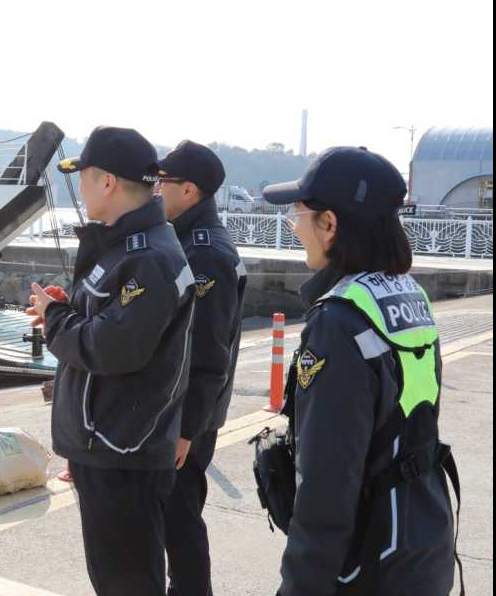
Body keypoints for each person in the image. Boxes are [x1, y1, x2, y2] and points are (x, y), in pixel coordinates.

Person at [261, 146, 458, 596]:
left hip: (369, 565)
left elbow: (327, 486)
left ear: (329, 224)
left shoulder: (339, 321)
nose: (293, 227)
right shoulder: (409, 294)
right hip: (423, 541)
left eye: (298, 214)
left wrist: (301, 586)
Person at [28, 126, 196, 596]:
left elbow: (114, 346)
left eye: (83, 176)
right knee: (116, 577)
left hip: (122, 450)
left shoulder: (150, 257)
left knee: (127, 582)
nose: (79, 188)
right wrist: (69, 308)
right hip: (110, 444)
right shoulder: (128, 245)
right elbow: (115, 322)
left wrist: (56, 318)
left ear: (107, 182)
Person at [154, 140, 247, 596]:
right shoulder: (190, 238)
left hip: (189, 415)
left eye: (163, 182)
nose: (156, 190)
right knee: (175, 516)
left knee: (180, 518)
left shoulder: (205, 252)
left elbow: (209, 352)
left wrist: (186, 429)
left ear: (188, 190)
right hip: (187, 410)